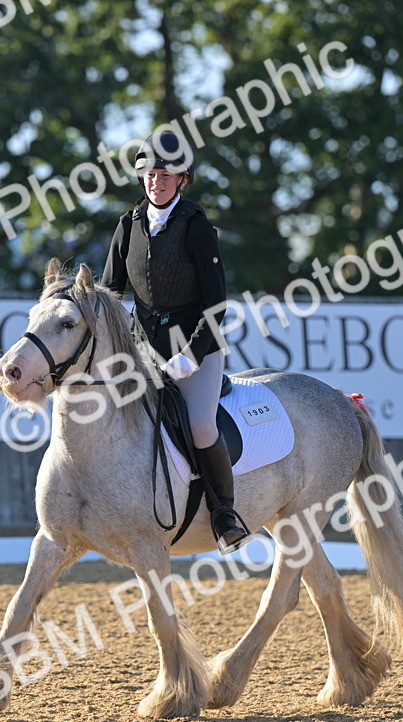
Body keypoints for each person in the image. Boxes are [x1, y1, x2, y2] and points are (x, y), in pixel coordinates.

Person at [102, 131, 251, 555]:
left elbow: (216, 302)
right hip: (143, 351)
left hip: (195, 349)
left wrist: (191, 355)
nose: (156, 182)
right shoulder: (128, 225)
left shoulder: (197, 227)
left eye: (165, 175)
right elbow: (110, 294)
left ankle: (224, 515)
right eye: (150, 174)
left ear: (183, 179)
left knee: (200, 424)